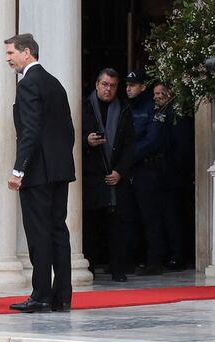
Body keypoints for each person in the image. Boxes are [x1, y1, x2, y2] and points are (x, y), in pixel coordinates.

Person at [5, 34, 76, 313]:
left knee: (39, 234)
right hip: (59, 170)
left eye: (11, 53)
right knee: (58, 230)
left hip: (37, 171)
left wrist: (18, 169)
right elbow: (68, 130)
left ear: (27, 52)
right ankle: (63, 296)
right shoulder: (55, 83)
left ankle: (41, 295)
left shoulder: (28, 84)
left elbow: (30, 131)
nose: (8, 58)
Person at [82, 68, 135, 282]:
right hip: (92, 175)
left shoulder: (123, 109)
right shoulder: (84, 107)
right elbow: (72, 136)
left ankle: (118, 269)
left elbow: (130, 145)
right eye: (104, 84)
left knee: (117, 226)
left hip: (115, 175)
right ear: (96, 85)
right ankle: (90, 267)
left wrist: (120, 171)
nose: (108, 89)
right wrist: (88, 142)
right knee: (91, 225)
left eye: (112, 86)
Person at [125, 70, 168, 275]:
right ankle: (132, 258)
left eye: (133, 85)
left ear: (143, 87)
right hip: (131, 169)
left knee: (150, 216)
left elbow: (152, 140)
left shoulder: (152, 108)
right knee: (131, 216)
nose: (128, 88)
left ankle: (154, 260)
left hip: (146, 168)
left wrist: (128, 156)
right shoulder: (127, 107)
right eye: (127, 85)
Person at [153, 81, 193, 270]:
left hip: (174, 176)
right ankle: (172, 253)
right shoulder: (161, 112)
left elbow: (181, 146)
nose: (157, 97)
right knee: (166, 217)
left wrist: (171, 168)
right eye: (155, 94)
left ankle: (178, 255)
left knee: (175, 218)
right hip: (165, 175)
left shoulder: (176, 113)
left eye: (160, 93)